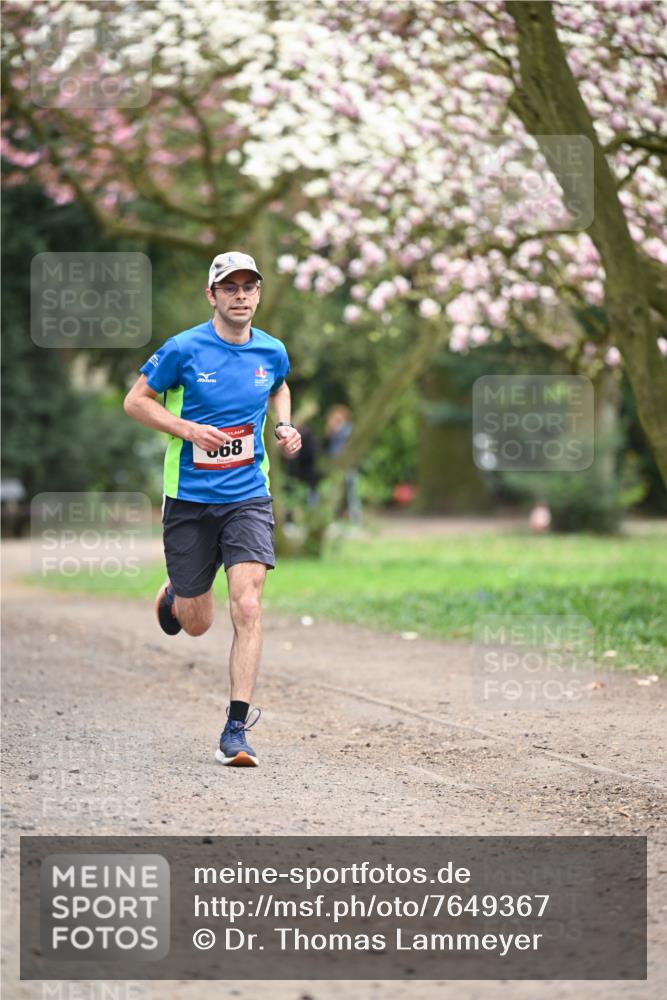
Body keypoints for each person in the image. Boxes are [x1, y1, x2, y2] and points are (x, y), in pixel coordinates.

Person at [124, 251, 301, 768]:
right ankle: (176, 593)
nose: (241, 295)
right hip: (190, 499)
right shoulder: (183, 349)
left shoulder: (272, 350)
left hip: (248, 495)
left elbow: (280, 385)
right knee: (196, 622)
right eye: (230, 287)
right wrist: (187, 430)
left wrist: (284, 424)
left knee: (247, 607)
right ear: (212, 296)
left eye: (249, 286)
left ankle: (236, 729)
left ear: (258, 294)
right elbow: (136, 401)